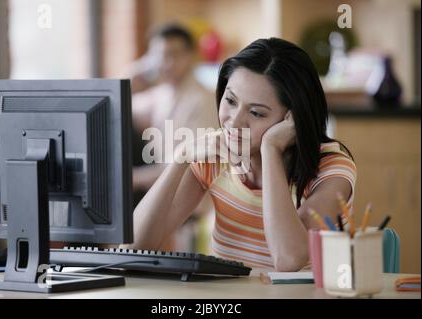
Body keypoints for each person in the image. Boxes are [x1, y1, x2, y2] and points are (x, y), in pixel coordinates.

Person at [129, 38, 357, 272]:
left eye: (257, 113)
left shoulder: (331, 169)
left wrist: (271, 149)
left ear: (293, 119)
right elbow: (134, 246)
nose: (234, 122)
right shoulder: (215, 158)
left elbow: (289, 259)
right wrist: (181, 157)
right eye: (230, 100)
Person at [130, 24, 219, 192]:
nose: (165, 63)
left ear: (191, 56)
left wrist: (133, 178)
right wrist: (133, 76)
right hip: (162, 188)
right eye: (158, 55)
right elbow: (120, 109)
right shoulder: (161, 94)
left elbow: (188, 165)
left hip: (189, 198)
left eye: (172, 55)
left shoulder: (203, 100)